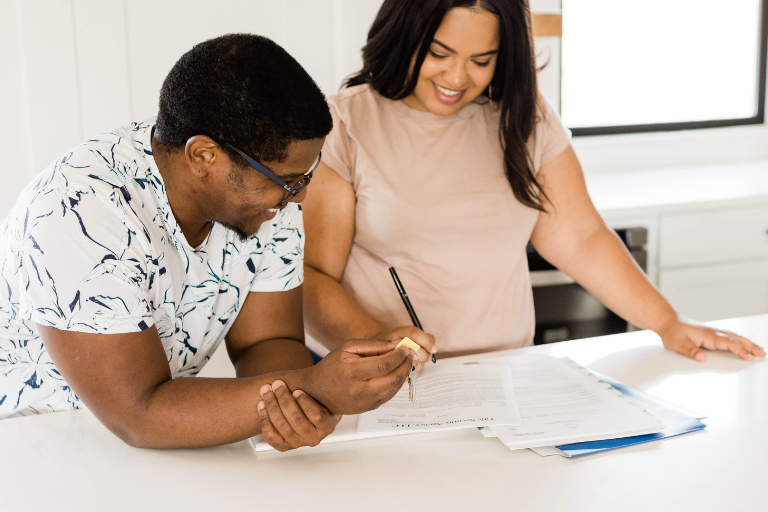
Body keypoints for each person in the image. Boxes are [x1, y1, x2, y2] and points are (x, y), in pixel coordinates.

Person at [0, 34, 419, 451]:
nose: (300, 197)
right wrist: (310, 383)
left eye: (305, 177)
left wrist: (294, 407)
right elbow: (139, 414)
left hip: (161, 445)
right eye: (288, 182)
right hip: (34, 442)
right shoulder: (78, 212)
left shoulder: (269, 200)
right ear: (203, 157)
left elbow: (269, 342)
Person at [302, 0, 765, 366]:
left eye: (481, 60)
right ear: (406, 36)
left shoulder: (524, 118)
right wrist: (379, 345)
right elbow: (315, 277)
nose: (457, 77)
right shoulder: (344, 123)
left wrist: (667, 322)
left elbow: (580, 238)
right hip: (385, 381)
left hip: (508, 374)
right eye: (439, 53)